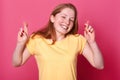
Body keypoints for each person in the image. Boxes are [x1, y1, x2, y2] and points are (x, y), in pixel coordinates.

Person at [12, 3, 104, 80]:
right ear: (52, 18)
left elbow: (99, 65)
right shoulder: (37, 40)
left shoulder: (77, 40)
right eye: (63, 17)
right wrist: (20, 44)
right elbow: (17, 62)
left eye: (71, 20)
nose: (67, 22)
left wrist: (92, 42)